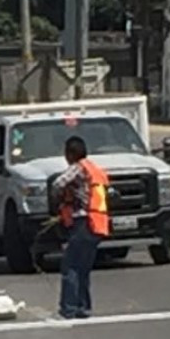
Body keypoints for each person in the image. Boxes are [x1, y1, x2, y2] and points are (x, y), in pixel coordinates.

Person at [51, 136, 110, 319]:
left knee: (70, 267)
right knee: (84, 268)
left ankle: (68, 308)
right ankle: (84, 307)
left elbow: (58, 184)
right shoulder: (96, 170)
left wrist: (60, 198)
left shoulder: (77, 168)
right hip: (97, 224)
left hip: (82, 223)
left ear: (71, 154)